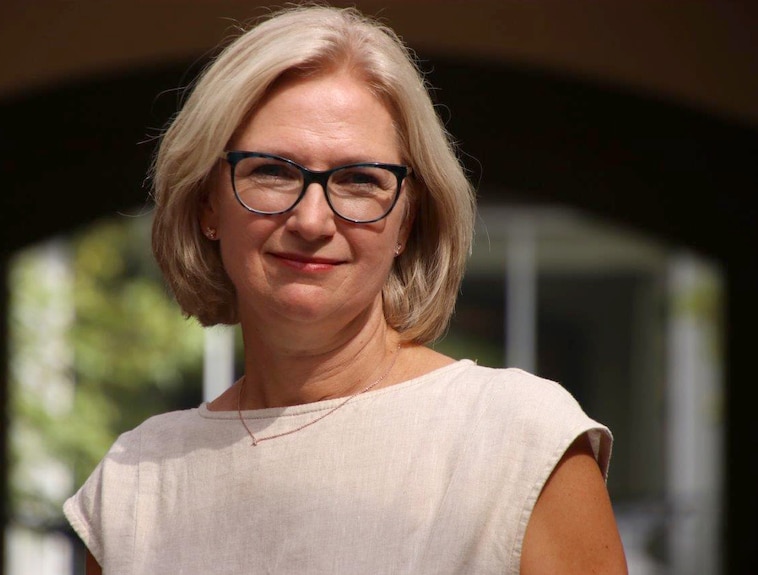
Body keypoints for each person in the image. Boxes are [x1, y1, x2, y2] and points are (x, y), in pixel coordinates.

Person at [64, 4, 627, 574]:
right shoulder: (133, 485)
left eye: (359, 180)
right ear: (208, 202)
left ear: (408, 220)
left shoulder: (519, 442)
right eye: (271, 171)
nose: (312, 220)